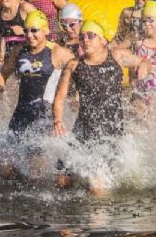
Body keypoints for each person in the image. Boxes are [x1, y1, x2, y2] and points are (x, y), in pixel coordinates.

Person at [51, 20, 145, 193]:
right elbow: (59, 97)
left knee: (96, 187)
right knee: (61, 182)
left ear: (103, 40)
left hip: (109, 135)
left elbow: (142, 61)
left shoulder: (116, 56)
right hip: (83, 132)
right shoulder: (74, 65)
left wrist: (144, 66)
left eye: (91, 36)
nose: (85, 40)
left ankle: (101, 216)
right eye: (82, 37)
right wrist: (57, 120)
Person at [0, 11, 74, 179]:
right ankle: (21, 189)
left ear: (46, 30)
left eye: (35, 30)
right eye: (27, 31)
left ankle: (51, 187)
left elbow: (78, 71)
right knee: (4, 167)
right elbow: (3, 72)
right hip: (21, 113)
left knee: (36, 167)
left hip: (44, 113)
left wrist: (76, 96)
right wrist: (0, 85)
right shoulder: (19, 50)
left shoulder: (58, 52)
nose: (30, 35)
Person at [0, 0, 35, 67]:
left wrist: (24, 32)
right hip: (9, 59)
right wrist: (1, 52)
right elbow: (3, 35)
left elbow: (43, 31)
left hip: (28, 56)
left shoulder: (25, 8)